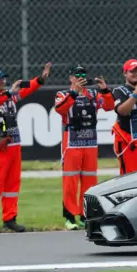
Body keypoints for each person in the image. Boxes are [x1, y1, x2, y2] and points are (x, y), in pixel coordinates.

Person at [0, 62, 51, 233]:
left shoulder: (9, 96)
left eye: (3, 79)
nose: (2, 82)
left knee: (13, 183)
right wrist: (9, 92)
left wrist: (40, 80)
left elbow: (26, 90)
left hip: (14, 145)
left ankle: (10, 218)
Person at [54, 65, 115, 230]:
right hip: (72, 144)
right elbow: (60, 109)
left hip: (90, 143)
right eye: (77, 75)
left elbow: (109, 106)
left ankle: (84, 215)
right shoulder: (63, 94)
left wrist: (105, 91)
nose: (81, 78)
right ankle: (69, 217)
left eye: (83, 74)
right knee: (70, 181)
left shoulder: (93, 95)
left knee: (90, 181)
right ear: (71, 78)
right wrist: (74, 92)